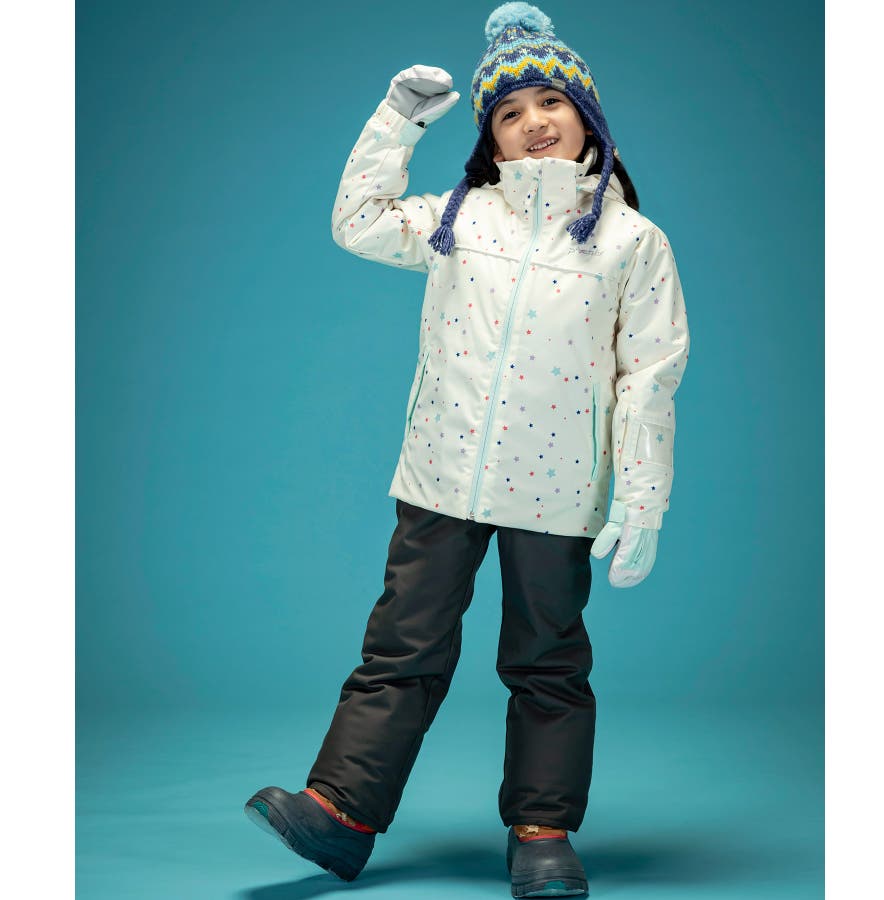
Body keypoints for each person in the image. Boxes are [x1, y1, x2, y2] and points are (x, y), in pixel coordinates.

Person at [244, 3, 690, 896]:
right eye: (510, 111)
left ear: (588, 116)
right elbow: (357, 220)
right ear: (490, 137)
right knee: (400, 648)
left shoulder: (631, 241)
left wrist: (642, 499)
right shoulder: (460, 218)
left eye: (551, 102)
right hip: (442, 477)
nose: (534, 122)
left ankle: (543, 831)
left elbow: (650, 373)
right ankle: (341, 814)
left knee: (548, 661)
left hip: (558, 490)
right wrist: (398, 119)